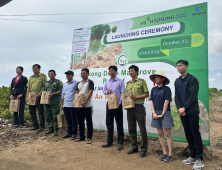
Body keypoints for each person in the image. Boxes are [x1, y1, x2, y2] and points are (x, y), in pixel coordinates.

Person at [175, 60, 204, 169]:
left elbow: (193, 96)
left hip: (191, 112)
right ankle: (192, 156)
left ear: (186, 66)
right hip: (182, 113)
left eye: (181, 65)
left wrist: (184, 108)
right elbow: (177, 97)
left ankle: (200, 159)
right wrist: (179, 108)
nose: (179, 67)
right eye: (177, 66)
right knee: (188, 134)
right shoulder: (177, 81)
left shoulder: (193, 80)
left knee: (195, 135)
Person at [149, 72, 174, 163]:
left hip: (165, 112)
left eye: (157, 77)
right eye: (155, 78)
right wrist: (154, 113)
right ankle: (164, 153)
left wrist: (162, 114)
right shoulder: (153, 89)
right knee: (160, 134)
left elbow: (166, 102)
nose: (156, 79)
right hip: (156, 112)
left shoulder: (167, 89)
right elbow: (151, 101)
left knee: (167, 134)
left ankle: (170, 154)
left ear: (162, 79)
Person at [125, 65, 149, 158]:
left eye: (132, 70)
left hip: (139, 108)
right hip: (130, 108)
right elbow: (126, 96)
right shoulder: (128, 83)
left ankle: (144, 149)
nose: (130, 72)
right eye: (129, 71)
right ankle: (134, 146)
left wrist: (136, 97)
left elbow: (147, 94)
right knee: (131, 129)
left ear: (136, 71)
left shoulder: (142, 82)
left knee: (142, 129)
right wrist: (125, 105)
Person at [102, 65, 125, 150]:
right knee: (109, 123)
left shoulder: (120, 81)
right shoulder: (107, 81)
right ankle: (109, 141)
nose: (110, 72)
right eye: (109, 70)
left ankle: (120, 142)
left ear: (115, 71)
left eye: (112, 70)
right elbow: (104, 91)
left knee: (119, 124)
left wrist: (119, 104)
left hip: (117, 105)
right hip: (109, 104)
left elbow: (123, 93)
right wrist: (107, 91)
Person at [75, 68, 94, 144]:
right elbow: (76, 93)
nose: (82, 74)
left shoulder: (90, 82)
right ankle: (81, 137)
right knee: (80, 122)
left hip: (87, 105)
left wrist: (85, 102)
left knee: (89, 122)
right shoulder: (78, 83)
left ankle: (89, 138)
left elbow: (90, 92)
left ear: (87, 74)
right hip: (79, 106)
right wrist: (75, 102)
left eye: (84, 73)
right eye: (81, 73)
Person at [42, 70, 63, 136]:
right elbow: (44, 91)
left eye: (52, 74)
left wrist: (53, 94)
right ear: (48, 75)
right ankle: (50, 128)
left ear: (55, 75)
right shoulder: (46, 83)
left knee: (55, 116)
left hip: (55, 102)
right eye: (49, 74)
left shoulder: (58, 82)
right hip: (47, 102)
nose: (51, 75)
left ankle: (56, 129)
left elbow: (60, 91)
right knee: (48, 115)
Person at [26, 64, 47, 131]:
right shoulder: (31, 77)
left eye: (35, 68)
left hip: (40, 96)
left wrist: (39, 94)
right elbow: (28, 87)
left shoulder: (43, 76)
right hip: (31, 97)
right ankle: (35, 125)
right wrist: (27, 97)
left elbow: (44, 86)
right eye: (33, 68)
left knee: (41, 111)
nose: (34, 69)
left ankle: (42, 126)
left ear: (39, 69)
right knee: (32, 111)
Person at [61, 70, 78, 140]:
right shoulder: (65, 84)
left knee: (73, 119)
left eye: (69, 74)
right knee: (68, 120)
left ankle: (74, 133)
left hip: (72, 104)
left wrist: (75, 102)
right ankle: (69, 132)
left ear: (72, 75)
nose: (68, 76)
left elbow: (77, 93)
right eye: (67, 75)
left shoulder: (76, 83)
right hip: (65, 104)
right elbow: (63, 95)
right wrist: (62, 104)